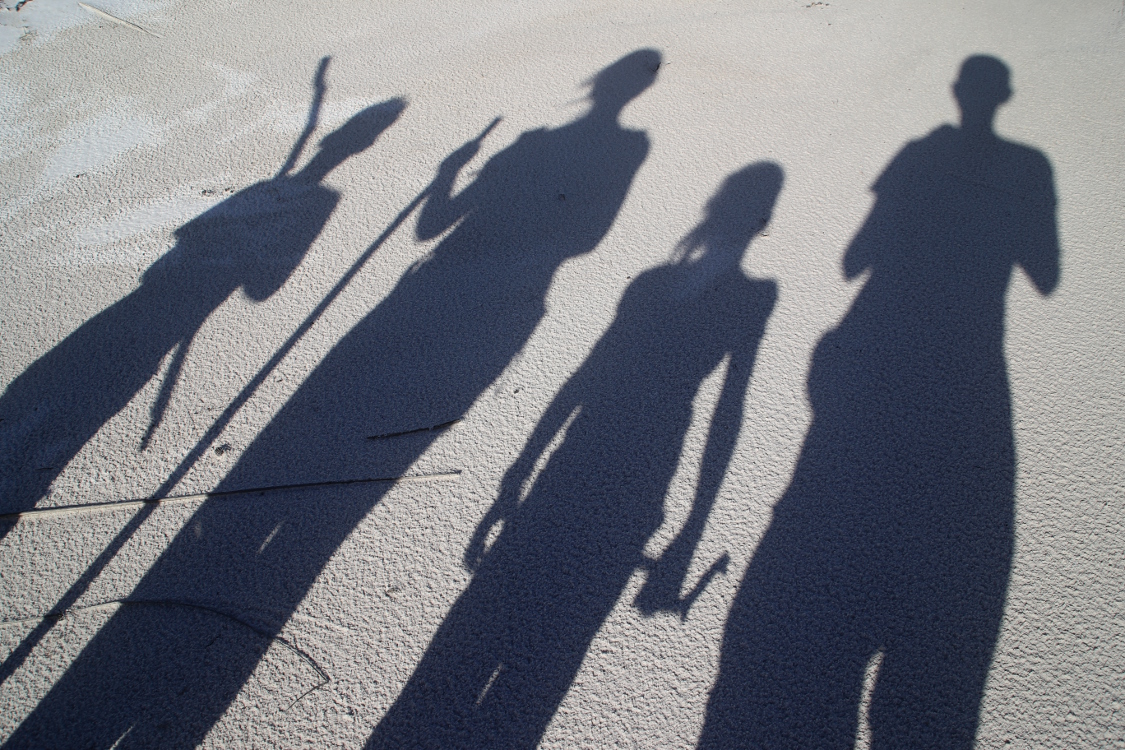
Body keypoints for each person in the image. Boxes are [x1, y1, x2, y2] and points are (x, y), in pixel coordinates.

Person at [6, 50, 660, 750]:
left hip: (426, 292)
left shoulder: (539, 144)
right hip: (504, 317)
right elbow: (586, 240)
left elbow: (431, 227)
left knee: (281, 467)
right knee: (318, 518)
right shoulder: (627, 148)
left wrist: (450, 179)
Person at [699, 55, 1060, 749]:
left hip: (881, 339)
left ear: (957, 93)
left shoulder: (916, 155)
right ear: (1004, 97)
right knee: (952, 541)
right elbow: (1043, 274)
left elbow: (853, 259)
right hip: (969, 364)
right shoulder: (1031, 166)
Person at [369, 163, 781, 749]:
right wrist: (523, 468)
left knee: (504, 643)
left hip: (615, 461)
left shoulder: (692, 290)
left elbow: (708, 406)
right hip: (625, 463)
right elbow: (615, 381)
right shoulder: (708, 291)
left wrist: (692, 526)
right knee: (527, 653)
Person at [0, 59, 402, 527]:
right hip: (164, 327)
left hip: (133, 306)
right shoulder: (318, 202)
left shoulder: (274, 190)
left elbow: (188, 240)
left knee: (32, 392)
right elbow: (262, 291)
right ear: (361, 145)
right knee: (71, 415)